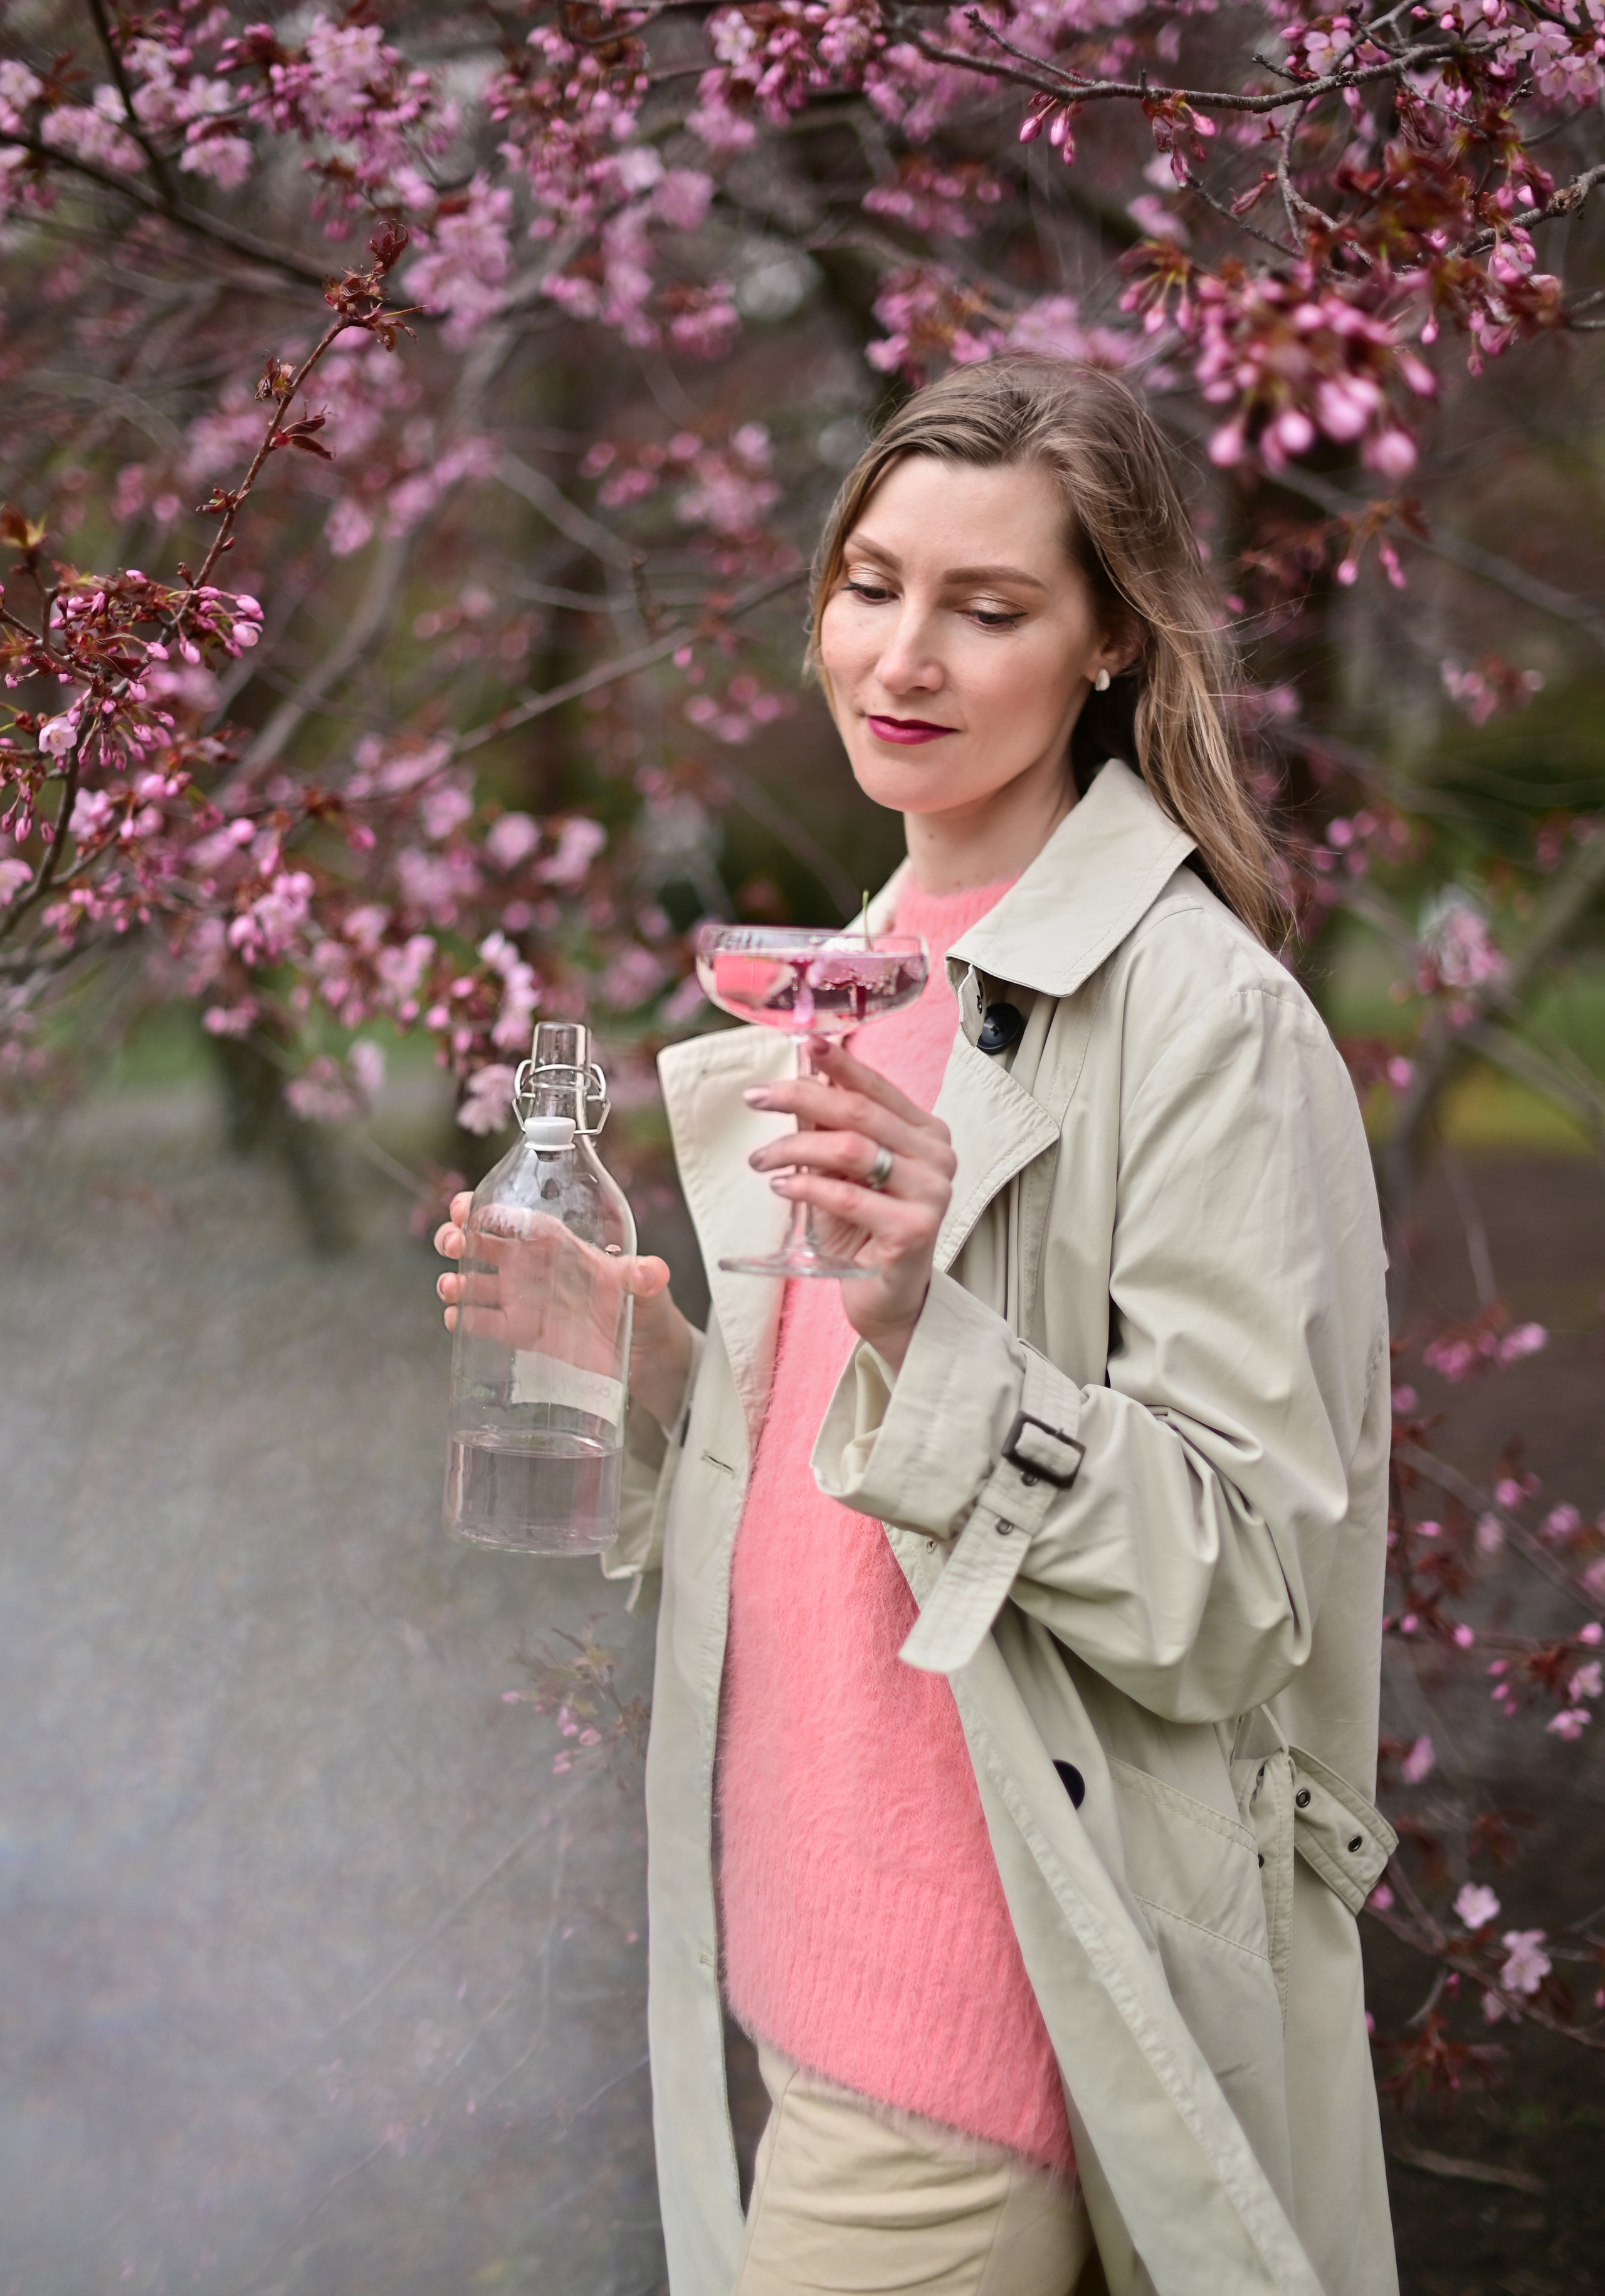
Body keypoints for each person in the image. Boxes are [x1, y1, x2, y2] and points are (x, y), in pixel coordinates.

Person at [436, 357, 1398, 2296]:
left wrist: (918, 1322)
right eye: (874, 583)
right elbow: (853, 1499)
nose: (908, 654)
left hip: (971, 2021)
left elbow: (1242, 1590)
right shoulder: (859, 980)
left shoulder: (1205, 1022)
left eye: (992, 607)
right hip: (803, 1962)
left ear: (1110, 641)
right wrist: (660, 1378)